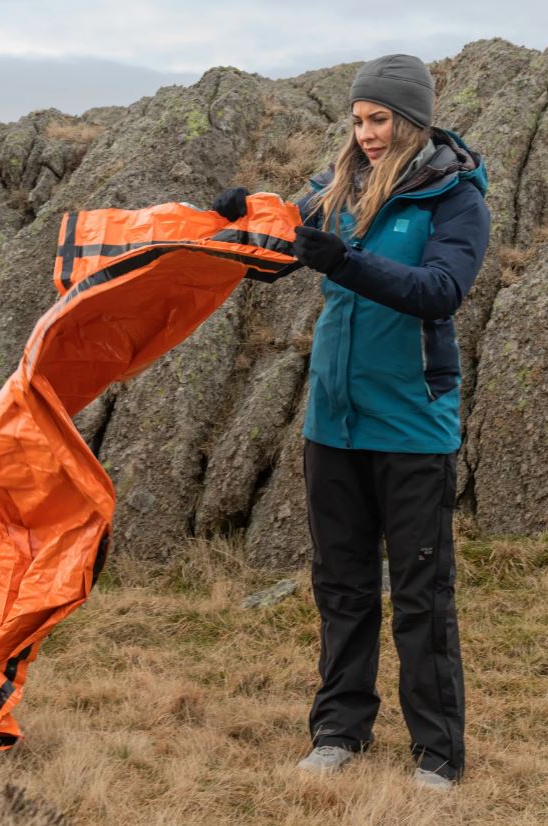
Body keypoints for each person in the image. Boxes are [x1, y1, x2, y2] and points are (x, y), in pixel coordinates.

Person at [212, 54, 490, 790]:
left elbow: (439, 291)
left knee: (422, 597)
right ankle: (339, 730)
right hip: (330, 427)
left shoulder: (454, 198)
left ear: (411, 119)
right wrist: (238, 217)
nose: (366, 133)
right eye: (359, 119)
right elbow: (275, 250)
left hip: (410, 428)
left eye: (379, 119)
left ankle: (436, 753)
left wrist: (344, 262)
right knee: (341, 587)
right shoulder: (336, 187)